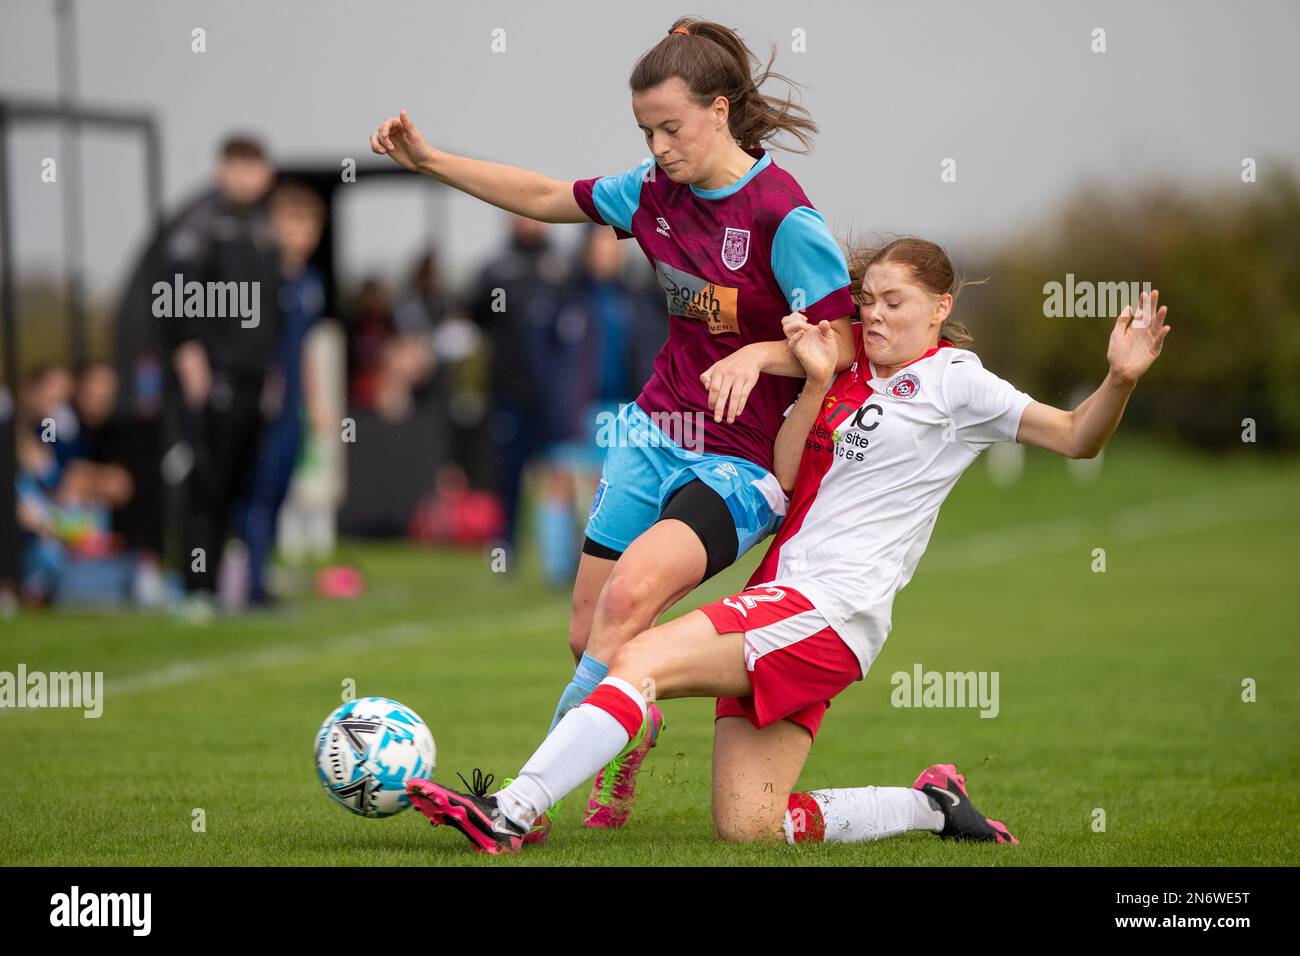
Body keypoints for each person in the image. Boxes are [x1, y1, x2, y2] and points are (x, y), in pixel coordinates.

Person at [402, 237, 1171, 854]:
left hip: (828, 609)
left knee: (636, 658)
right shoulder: (847, 375)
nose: (873, 315)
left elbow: (1075, 437)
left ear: (940, 307)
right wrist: (809, 384)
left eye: (893, 302)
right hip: (785, 603)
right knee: (750, 826)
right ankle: (931, 805)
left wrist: (1120, 379)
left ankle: (511, 808)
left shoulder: (956, 382)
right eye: (866, 300)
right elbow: (784, 471)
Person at [370, 17, 857, 837]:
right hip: (651, 435)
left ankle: (516, 806)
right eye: (646, 131)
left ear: (721, 110)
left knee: (630, 597)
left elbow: (840, 343)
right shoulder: (653, 193)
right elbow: (543, 196)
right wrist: (430, 160)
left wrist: (763, 356)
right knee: (587, 632)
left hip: (740, 466)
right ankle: (631, 723)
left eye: (671, 127)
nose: (658, 147)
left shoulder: (785, 216)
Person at [163, 135, 282, 614]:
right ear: (221, 170)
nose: (246, 177)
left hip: (254, 374)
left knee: (243, 482)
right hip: (216, 374)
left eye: (254, 167)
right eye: (238, 166)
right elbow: (176, 294)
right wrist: (190, 353)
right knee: (207, 480)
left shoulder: (261, 228)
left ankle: (232, 585)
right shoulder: (202, 225)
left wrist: (271, 369)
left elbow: (270, 309)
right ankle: (195, 588)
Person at [238, 180, 328, 607]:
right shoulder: (260, 276)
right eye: (291, 224)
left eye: (308, 225)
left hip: (294, 404)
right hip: (265, 403)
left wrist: (318, 400)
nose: (299, 234)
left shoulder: (309, 282)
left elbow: (305, 347)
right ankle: (248, 580)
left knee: (281, 486)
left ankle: (262, 574)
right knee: (258, 487)